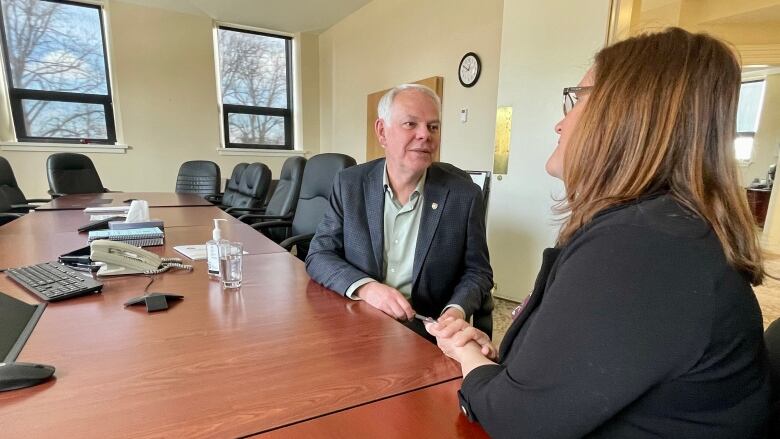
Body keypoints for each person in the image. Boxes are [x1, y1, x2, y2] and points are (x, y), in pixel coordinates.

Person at [426, 28, 771, 438]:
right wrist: (503, 362)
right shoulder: (661, 230)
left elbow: (518, 421)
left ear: (624, 114)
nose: (559, 123)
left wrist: (465, 353)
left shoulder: (643, 248)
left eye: (577, 97)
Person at [306, 84, 493, 340]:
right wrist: (367, 289)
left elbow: (478, 272)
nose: (425, 135)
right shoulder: (349, 184)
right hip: (361, 319)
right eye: (410, 124)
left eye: (433, 127)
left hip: (427, 331)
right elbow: (319, 254)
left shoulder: (464, 195)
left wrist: (455, 311)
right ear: (382, 132)